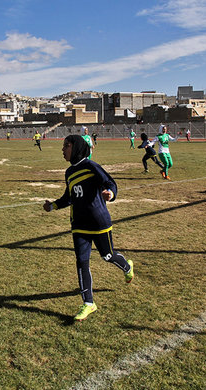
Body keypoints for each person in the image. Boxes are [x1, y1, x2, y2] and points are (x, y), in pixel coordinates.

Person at [43, 135, 134, 321]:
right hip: (78, 225)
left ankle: (126, 266)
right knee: (82, 261)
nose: (63, 150)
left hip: (99, 222)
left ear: (76, 147)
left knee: (107, 256)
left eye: (66, 146)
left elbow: (111, 183)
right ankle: (88, 303)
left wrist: (110, 193)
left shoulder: (91, 166)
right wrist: (52, 205)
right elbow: (69, 197)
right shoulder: (69, 173)